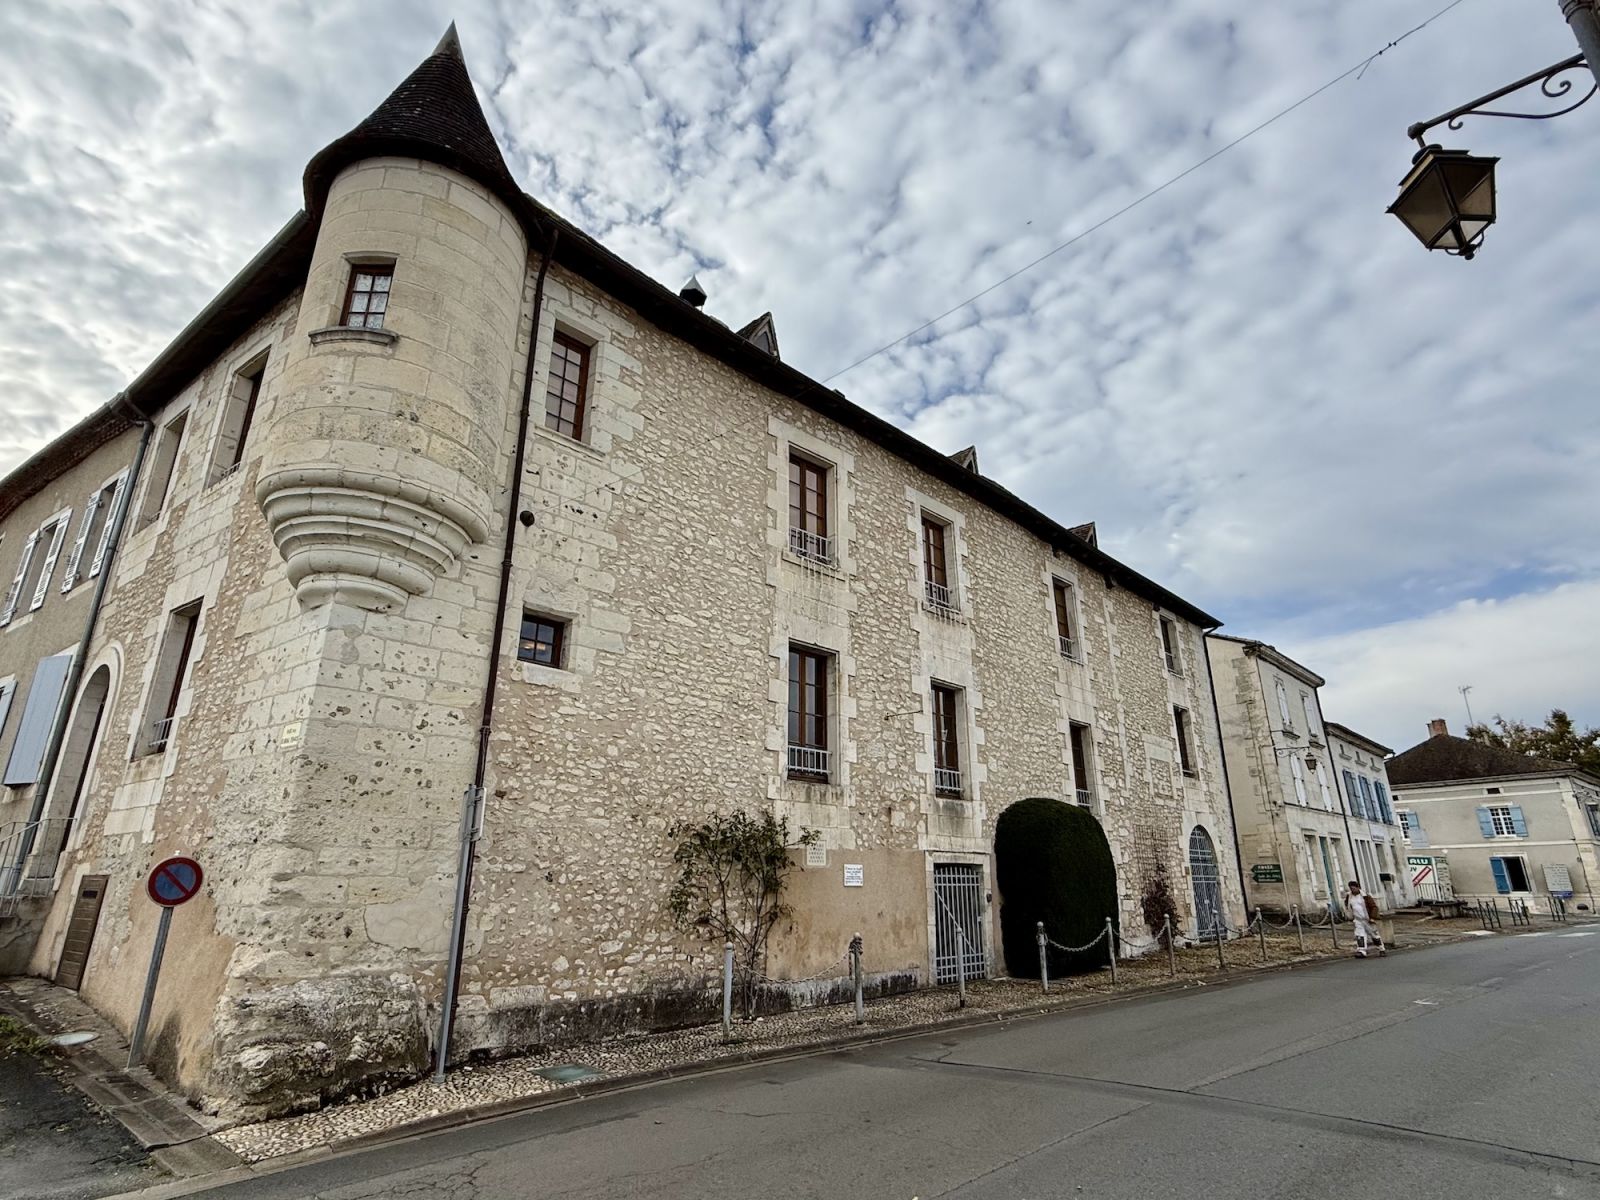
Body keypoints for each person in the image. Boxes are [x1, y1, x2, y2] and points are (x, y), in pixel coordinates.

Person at [1346, 880, 1386, 958]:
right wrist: (1350, 916)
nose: (1352, 890)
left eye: (1354, 888)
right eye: (1351, 888)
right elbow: (1348, 905)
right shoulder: (1349, 896)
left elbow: (1373, 907)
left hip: (1367, 919)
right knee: (1359, 935)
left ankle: (1381, 949)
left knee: (1374, 935)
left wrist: (1372, 917)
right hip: (1358, 919)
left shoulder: (1365, 896)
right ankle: (1361, 951)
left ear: (1358, 888)